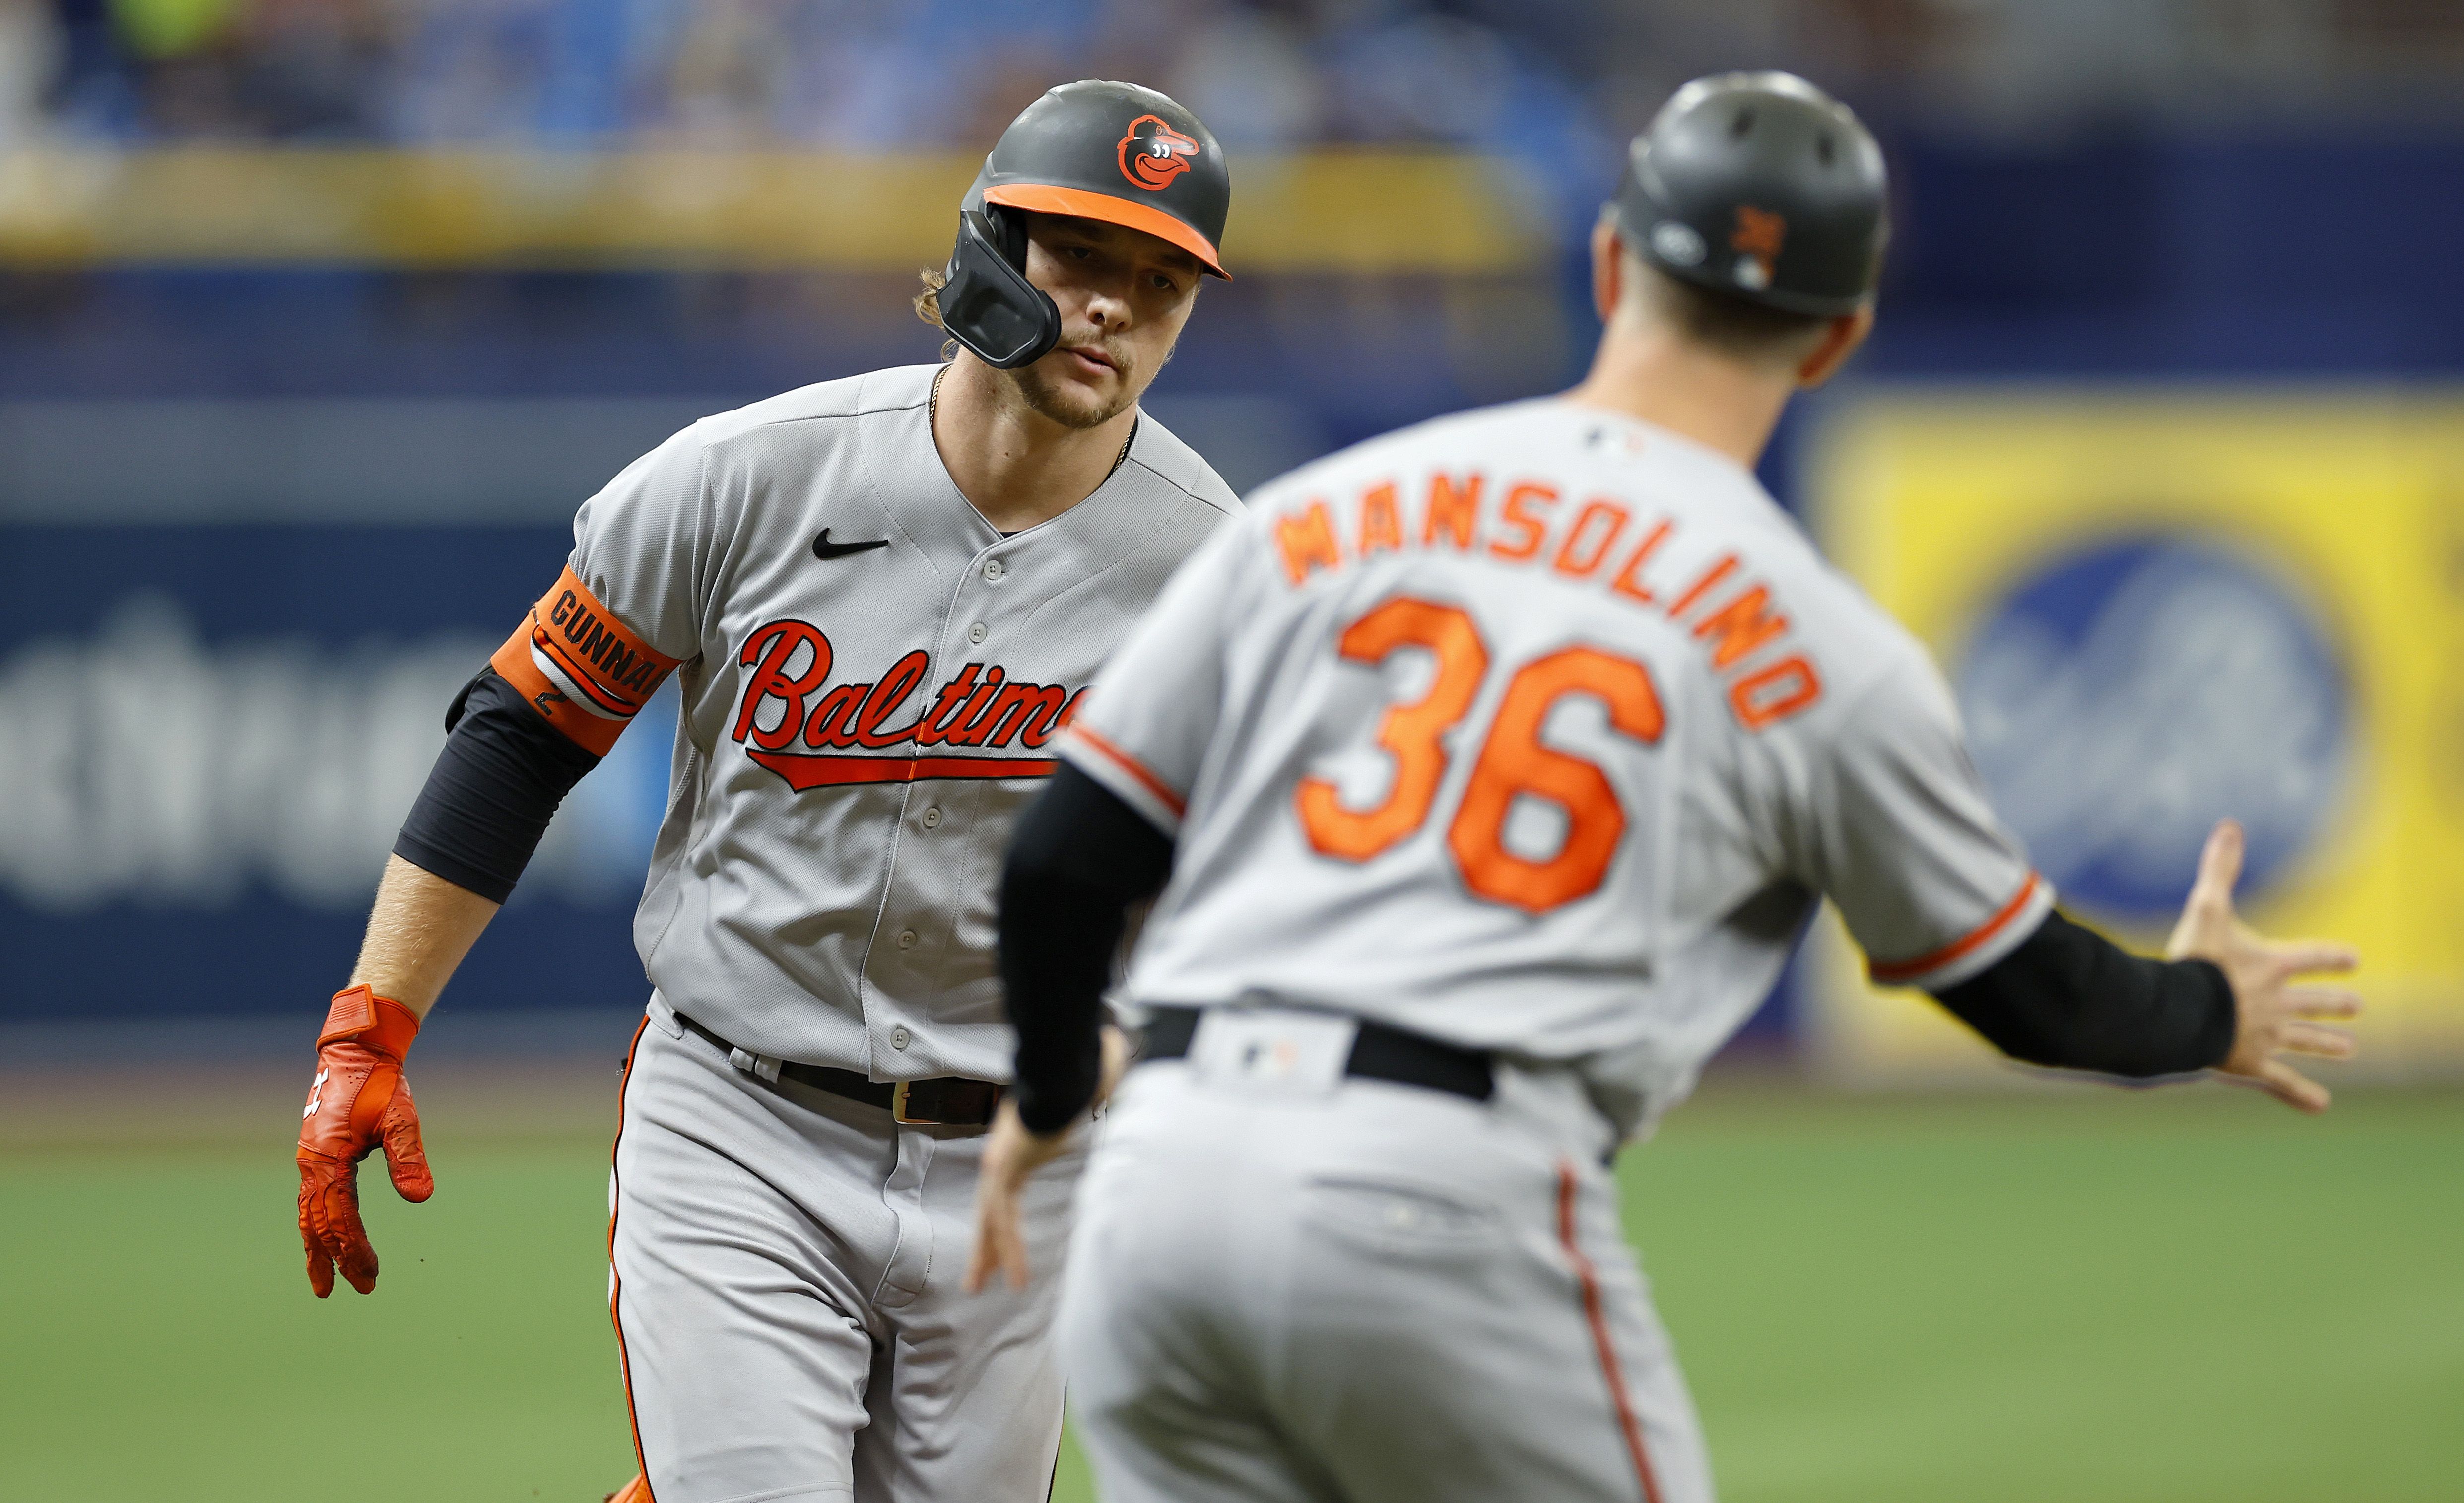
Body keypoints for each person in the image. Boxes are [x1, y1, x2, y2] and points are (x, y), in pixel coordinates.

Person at [966, 72, 2363, 1503]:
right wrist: (2210, 1006)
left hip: (1165, 1182)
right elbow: (2027, 990)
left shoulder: (1331, 510)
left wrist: (1058, 1095)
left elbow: (1064, 861)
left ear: (1611, 263)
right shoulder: (1822, 646)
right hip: (1442, 1190)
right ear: (1840, 338)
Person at [291, 80, 1241, 1503]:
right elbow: (525, 733)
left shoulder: (1221, 571)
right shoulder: (750, 477)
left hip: (1024, 1157)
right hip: (745, 1122)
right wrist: (368, 1030)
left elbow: (1239, 890)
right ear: (988, 247)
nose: (1115, 304)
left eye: (1161, 281)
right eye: (1081, 254)